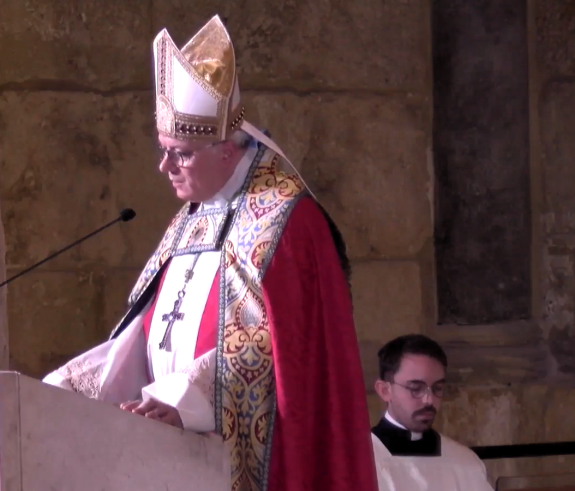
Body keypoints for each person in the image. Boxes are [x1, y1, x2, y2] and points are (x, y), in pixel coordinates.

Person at [43, 15, 377, 491]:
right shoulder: (191, 217)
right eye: (163, 149)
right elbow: (146, 333)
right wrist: (64, 389)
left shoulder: (287, 221)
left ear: (226, 150)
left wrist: (184, 402)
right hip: (168, 456)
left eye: (180, 152)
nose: (165, 166)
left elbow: (283, 352)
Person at [371, 334, 493, 491]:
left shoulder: (466, 461)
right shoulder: (360, 461)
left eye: (437, 388)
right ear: (385, 390)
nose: (429, 400)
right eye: (416, 388)